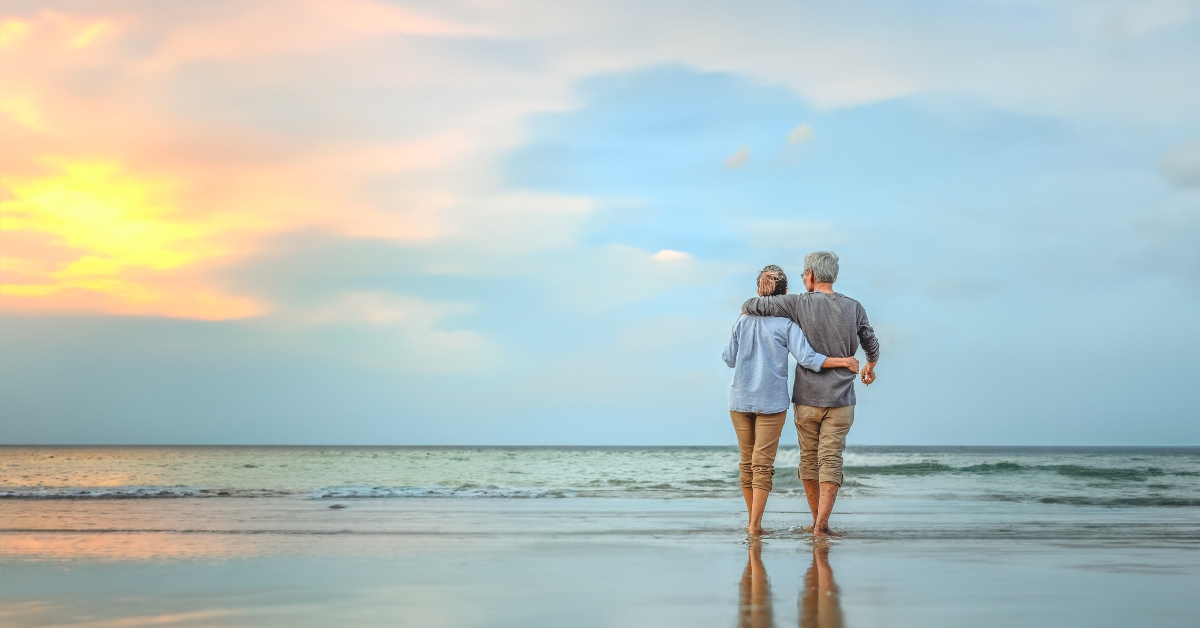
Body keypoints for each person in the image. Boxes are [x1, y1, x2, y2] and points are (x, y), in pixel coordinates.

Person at [741, 252, 879, 537]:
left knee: (809, 460)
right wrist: (870, 366)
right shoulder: (854, 306)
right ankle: (821, 526)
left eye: (804, 274)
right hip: (842, 399)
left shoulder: (798, 303)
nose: (804, 279)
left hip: (806, 398)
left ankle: (816, 520)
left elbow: (752, 305)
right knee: (831, 460)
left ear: (812, 275)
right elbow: (870, 341)